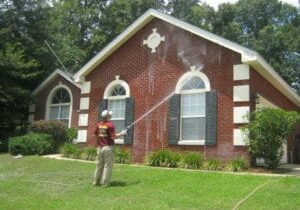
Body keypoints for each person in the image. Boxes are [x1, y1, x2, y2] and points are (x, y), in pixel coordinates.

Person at [93, 110, 127, 187]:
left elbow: (95, 135)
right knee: (107, 166)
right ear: (108, 116)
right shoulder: (110, 125)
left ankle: (95, 182)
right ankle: (105, 184)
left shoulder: (99, 125)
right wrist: (122, 133)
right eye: (110, 115)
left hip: (99, 148)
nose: (111, 116)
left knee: (99, 165)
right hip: (108, 147)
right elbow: (113, 137)